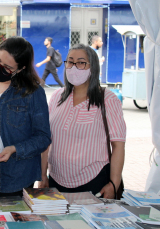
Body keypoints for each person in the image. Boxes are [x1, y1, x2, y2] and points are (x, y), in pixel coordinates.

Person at [39, 44, 126, 199]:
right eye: (70, 62)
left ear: (92, 67)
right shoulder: (57, 97)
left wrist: (114, 183)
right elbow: (46, 140)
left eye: (81, 62)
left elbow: (118, 145)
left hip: (93, 181)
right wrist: (43, 175)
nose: (74, 67)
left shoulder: (107, 99)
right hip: (56, 181)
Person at [0, 36, 52, 197]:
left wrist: (14, 149)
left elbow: (43, 138)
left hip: (16, 176)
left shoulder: (33, 93)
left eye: (7, 67)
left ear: (20, 69)